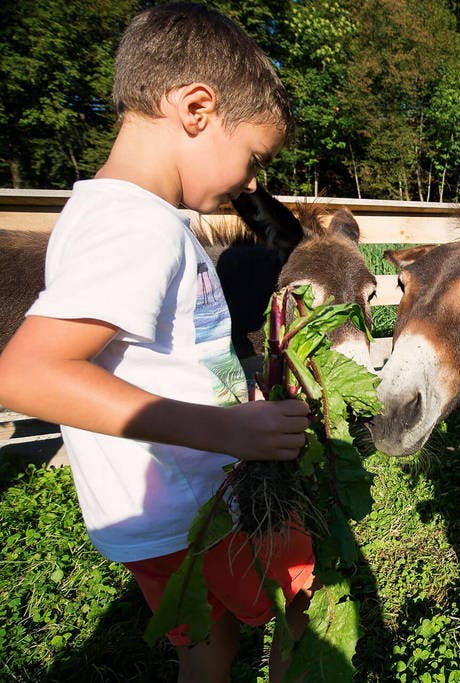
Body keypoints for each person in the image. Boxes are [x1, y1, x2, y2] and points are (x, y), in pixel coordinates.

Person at [0, 4, 315, 680]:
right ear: (197, 109)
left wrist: (236, 401)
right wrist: (231, 431)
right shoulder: (135, 227)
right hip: (199, 510)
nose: (251, 184)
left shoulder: (109, 213)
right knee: (301, 604)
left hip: (157, 518)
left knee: (205, 642)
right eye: (253, 159)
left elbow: (162, 356)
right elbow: (25, 373)